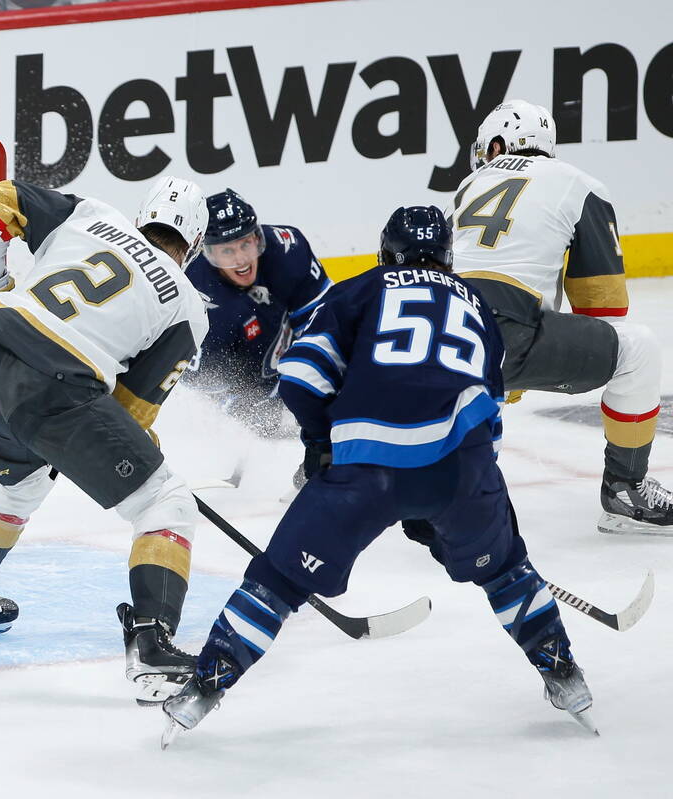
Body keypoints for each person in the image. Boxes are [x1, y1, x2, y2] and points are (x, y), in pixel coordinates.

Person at [160, 207, 594, 745]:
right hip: (461, 467)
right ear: (448, 257)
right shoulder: (479, 305)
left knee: (279, 580)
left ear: (385, 252)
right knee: (506, 570)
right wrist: (451, 501)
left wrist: (322, 446)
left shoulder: (361, 290)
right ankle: (564, 676)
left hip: (365, 470)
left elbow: (299, 377)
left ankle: (204, 688)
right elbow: (492, 413)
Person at [0, 175, 209, 703]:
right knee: (165, 502)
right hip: (52, 389)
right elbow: (130, 411)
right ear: (192, 246)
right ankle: (152, 645)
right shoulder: (187, 304)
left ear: (143, 215)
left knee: (16, 488)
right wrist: (134, 447)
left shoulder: (93, 214)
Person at [447, 99, 670, 535]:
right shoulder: (577, 183)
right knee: (638, 348)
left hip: (444, 329)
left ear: (496, 145)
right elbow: (604, 309)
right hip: (506, 331)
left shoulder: (466, 187)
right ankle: (626, 488)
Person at [183, 189, 331, 439]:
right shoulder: (195, 292)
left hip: (284, 366)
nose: (241, 259)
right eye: (227, 251)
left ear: (257, 237)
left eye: (246, 244)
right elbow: (198, 389)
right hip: (241, 384)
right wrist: (246, 417)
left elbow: (325, 326)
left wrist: (306, 383)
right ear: (209, 253)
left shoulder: (288, 249)